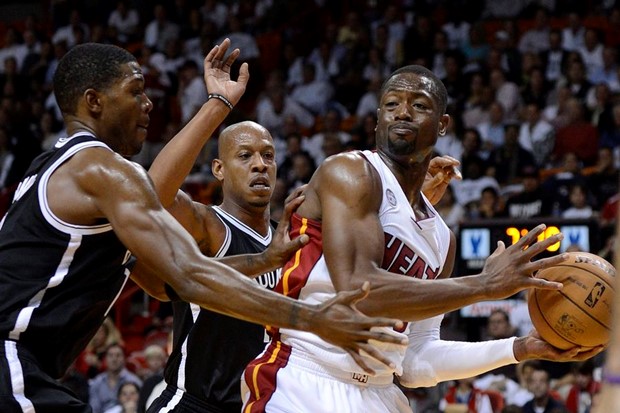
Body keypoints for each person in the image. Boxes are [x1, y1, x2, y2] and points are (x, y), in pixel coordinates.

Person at [0, 40, 407, 413]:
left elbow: (165, 286)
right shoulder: (100, 169)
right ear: (94, 101)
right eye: (136, 91)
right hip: (16, 361)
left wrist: (263, 259)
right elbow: (190, 273)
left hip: (32, 368)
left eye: (268, 155)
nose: (149, 103)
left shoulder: (58, 166)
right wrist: (313, 319)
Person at [242, 65, 601, 413]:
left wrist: (520, 347)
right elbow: (359, 289)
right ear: (377, 118)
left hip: (380, 394)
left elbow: (414, 362)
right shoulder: (350, 172)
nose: (402, 112)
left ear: (443, 124)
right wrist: (483, 285)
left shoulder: (442, 239)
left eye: (419, 105)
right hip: (303, 378)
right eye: (392, 103)